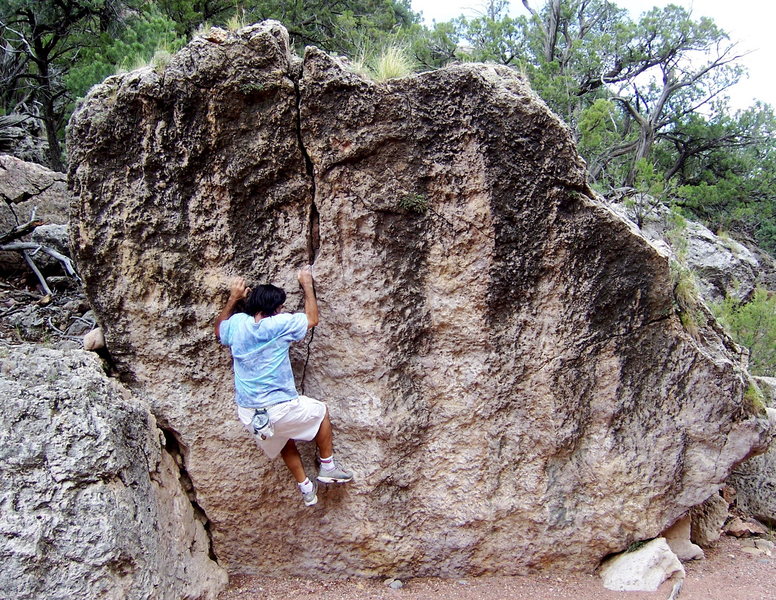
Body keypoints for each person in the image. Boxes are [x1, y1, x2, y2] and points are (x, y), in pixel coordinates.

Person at [215, 266, 352, 506]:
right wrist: (307, 284)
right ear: (276, 310)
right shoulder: (280, 324)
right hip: (279, 406)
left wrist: (233, 298)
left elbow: (219, 330)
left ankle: (306, 488)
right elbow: (312, 319)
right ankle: (328, 466)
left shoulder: (237, 324)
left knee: (283, 438)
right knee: (321, 412)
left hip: (250, 413)